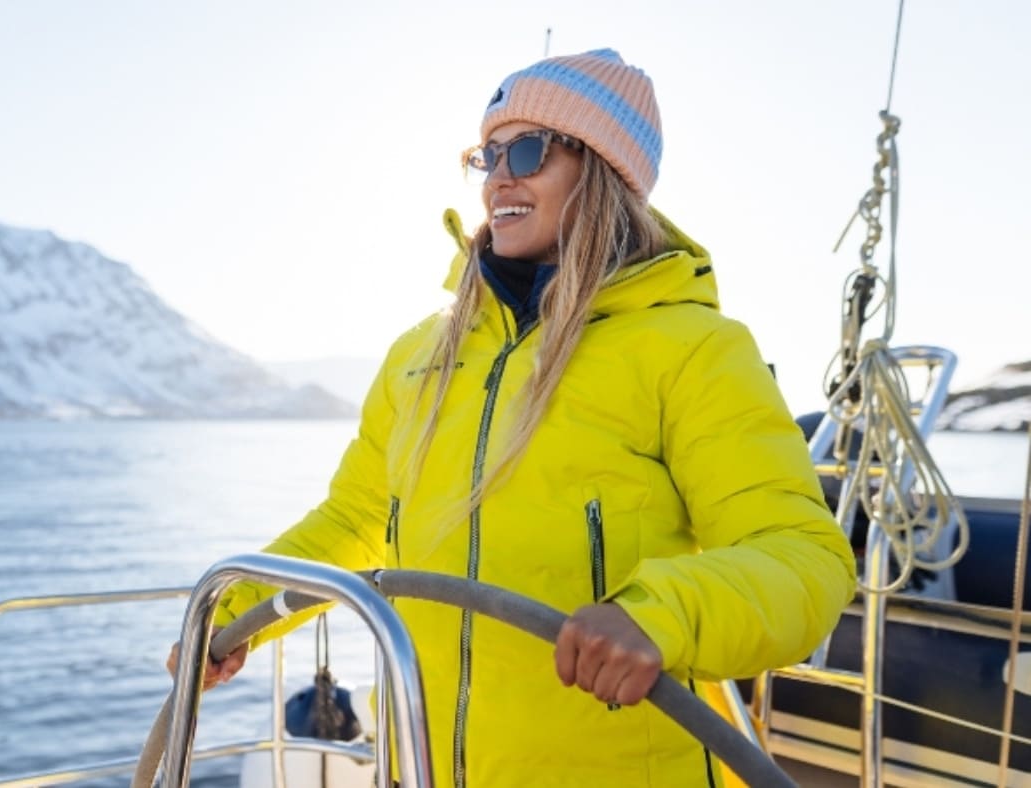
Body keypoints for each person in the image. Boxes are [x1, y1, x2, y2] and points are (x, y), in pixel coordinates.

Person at [168, 48, 856, 787]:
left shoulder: (691, 348)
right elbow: (356, 517)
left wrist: (663, 613)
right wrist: (229, 611)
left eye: (527, 150)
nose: (500, 176)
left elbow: (803, 556)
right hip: (427, 769)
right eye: (487, 154)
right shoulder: (421, 355)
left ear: (600, 170)